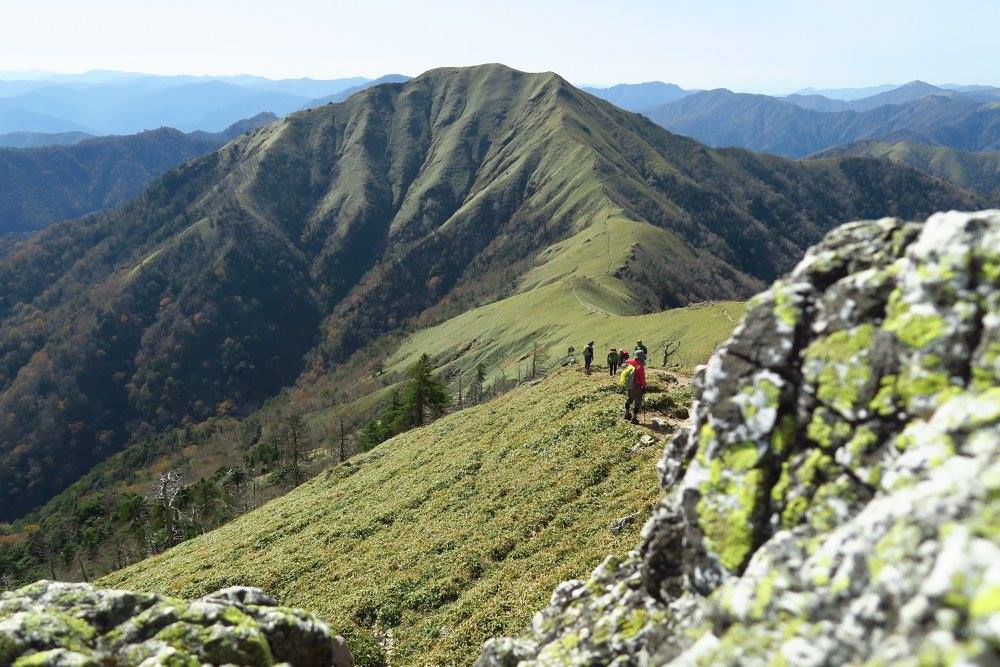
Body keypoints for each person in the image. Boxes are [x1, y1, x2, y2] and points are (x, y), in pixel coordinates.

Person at [623, 349, 647, 424]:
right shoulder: (640, 366)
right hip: (637, 386)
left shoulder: (630, 364)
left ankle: (627, 414)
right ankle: (634, 418)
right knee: (638, 402)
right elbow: (642, 378)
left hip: (629, 385)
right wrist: (644, 386)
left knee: (629, 399)